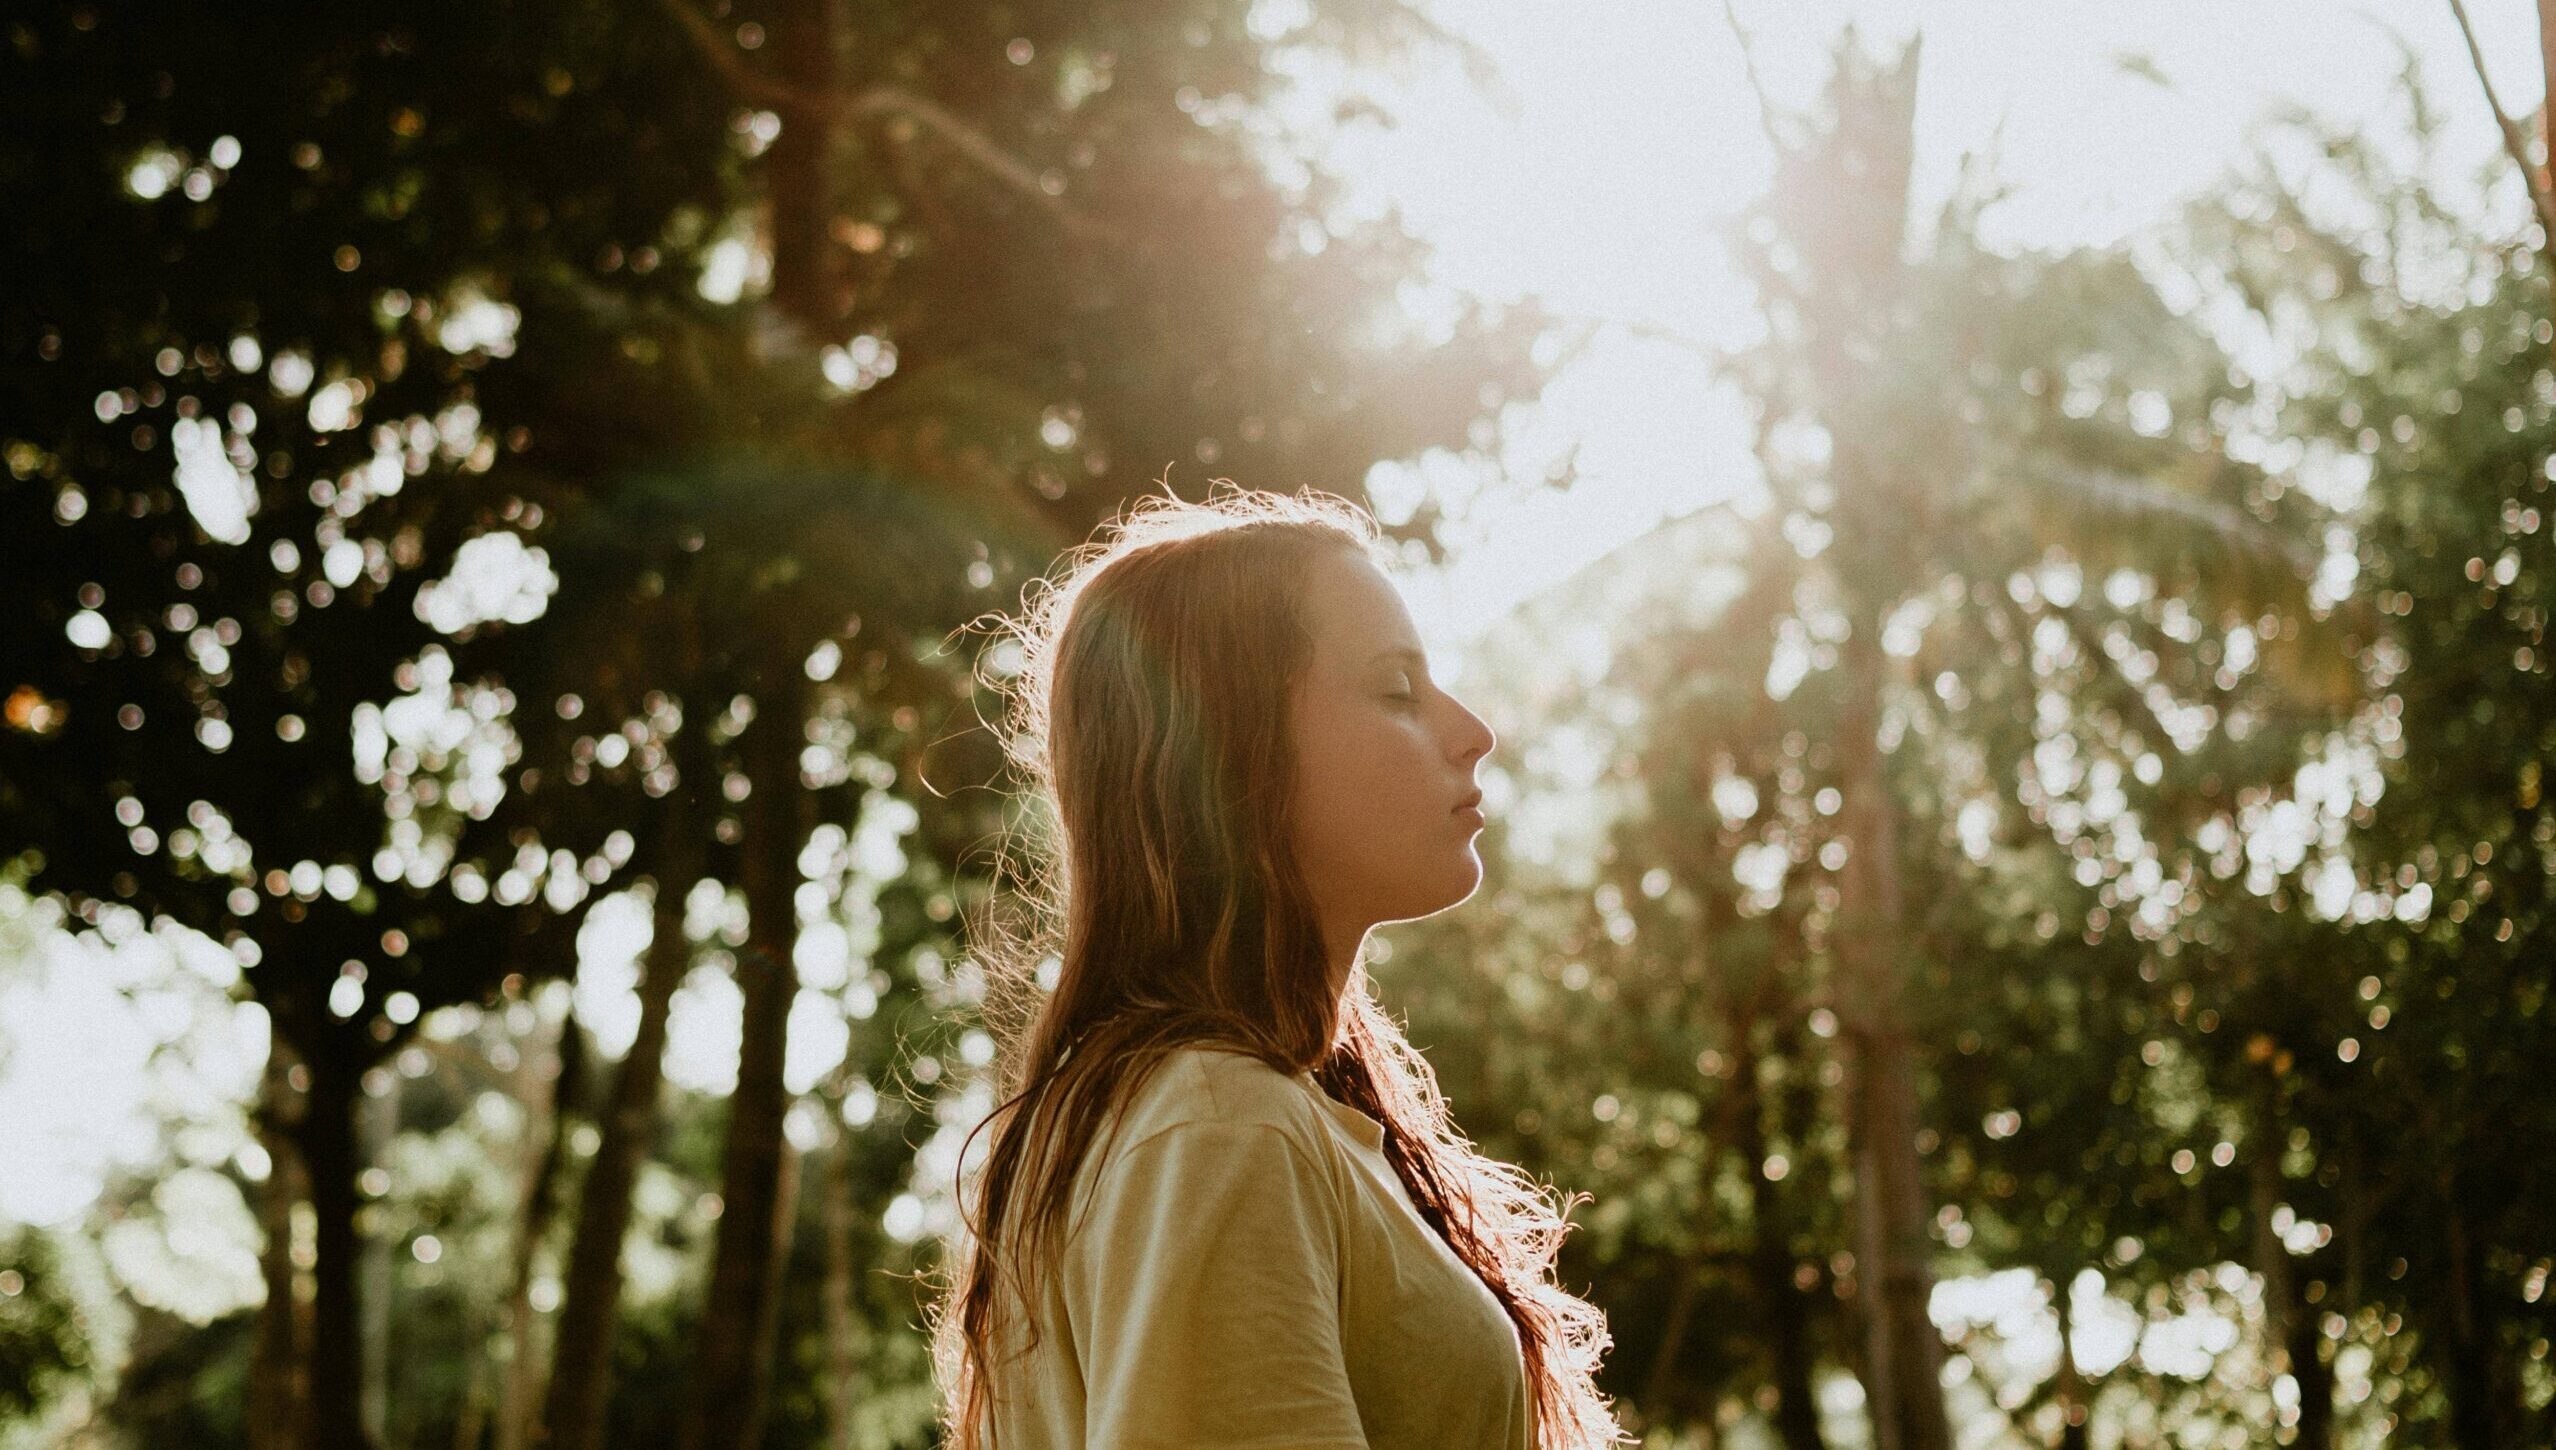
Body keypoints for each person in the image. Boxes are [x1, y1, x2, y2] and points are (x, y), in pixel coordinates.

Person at [931, 485, 1621, 1448]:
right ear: (1230, 756)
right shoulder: (1221, 1127)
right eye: (1396, 690)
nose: (1473, 731)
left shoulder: (1237, 1116)